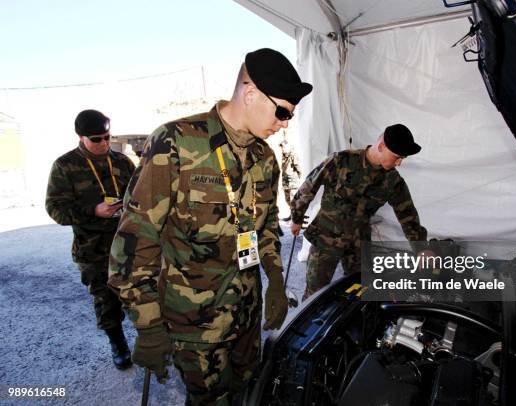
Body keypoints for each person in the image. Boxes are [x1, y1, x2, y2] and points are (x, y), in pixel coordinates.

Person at [108, 48, 312, 405]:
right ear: (250, 94)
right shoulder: (176, 143)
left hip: (246, 315)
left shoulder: (265, 159)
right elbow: (134, 242)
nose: (285, 123)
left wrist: (276, 280)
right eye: (282, 112)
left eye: (290, 116)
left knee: (250, 394)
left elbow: (264, 231)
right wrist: (148, 324)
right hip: (195, 324)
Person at [290, 124, 428, 299]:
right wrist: (297, 217)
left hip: (359, 242)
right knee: (315, 294)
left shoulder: (393, 181)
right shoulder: (341, 161)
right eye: (397, 157)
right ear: (381, 146)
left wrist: (421, 247)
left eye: (402, 158)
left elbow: (408, 215)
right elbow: (309, 186)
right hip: (326, 238)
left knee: (361, 289)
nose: (399, 163)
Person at [45, 109, 135, 369]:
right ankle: (118, 344)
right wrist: (92, 210)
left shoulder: (121, 162)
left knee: (141, 294)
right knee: (106, 300)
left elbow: (140, 193)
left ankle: (152, 341)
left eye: (107, 137)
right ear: (82, 137)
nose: (104, 143)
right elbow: (55, 209)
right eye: (96, 139)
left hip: (129, 244)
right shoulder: (65, 166)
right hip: (92, 249)